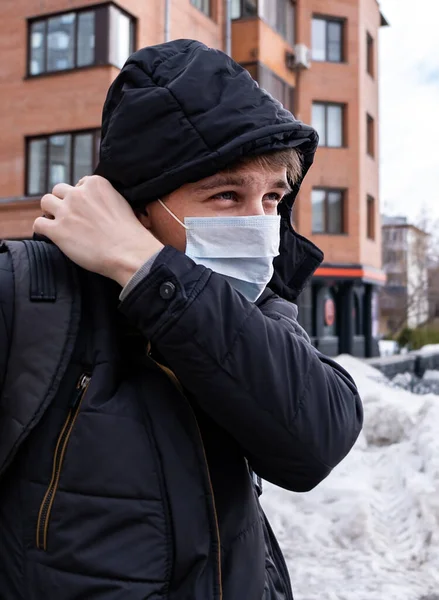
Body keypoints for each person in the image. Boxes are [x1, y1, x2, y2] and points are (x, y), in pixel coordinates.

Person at [0, 39, 362, 599]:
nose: (259, 224)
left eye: (272, 198)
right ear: (137, 205)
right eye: (224, 195)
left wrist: (146, 267)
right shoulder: (27, 294)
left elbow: (316, 438)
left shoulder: (251, 304)